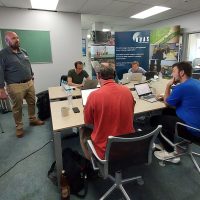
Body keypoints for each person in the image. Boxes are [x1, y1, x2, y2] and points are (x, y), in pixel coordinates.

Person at [80, 65, 136, 160]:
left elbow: (88, 122)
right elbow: (132, 109)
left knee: (82, 130)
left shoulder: (93, 95)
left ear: (98, 77)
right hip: (128, 143)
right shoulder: (127, 91)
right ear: (114, 75)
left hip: (105, 150)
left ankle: (92, 162)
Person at [153, 61, 200, 163]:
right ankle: (165, 143)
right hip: (197, 123)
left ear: (182, 73)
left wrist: (168, 85)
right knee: (167, 112)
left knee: (154, 120)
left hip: (193, 130)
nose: (171, 74)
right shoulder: (196, 82)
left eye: (173, 71)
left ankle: (170, 153)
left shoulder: (182, 87)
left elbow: (166, 102)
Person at [0, 31, 44, 138]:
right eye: (13, 38)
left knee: (32, 102)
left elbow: (28, 64)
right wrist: (1, 89)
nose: (17, 40)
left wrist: (32, 75)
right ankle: (19, 127)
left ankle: (32, 119)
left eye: (17, 37)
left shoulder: (23, 51)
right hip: (15, 85)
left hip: (28, 82)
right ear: (7, 41)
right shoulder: (3, 54)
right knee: (17, 107)